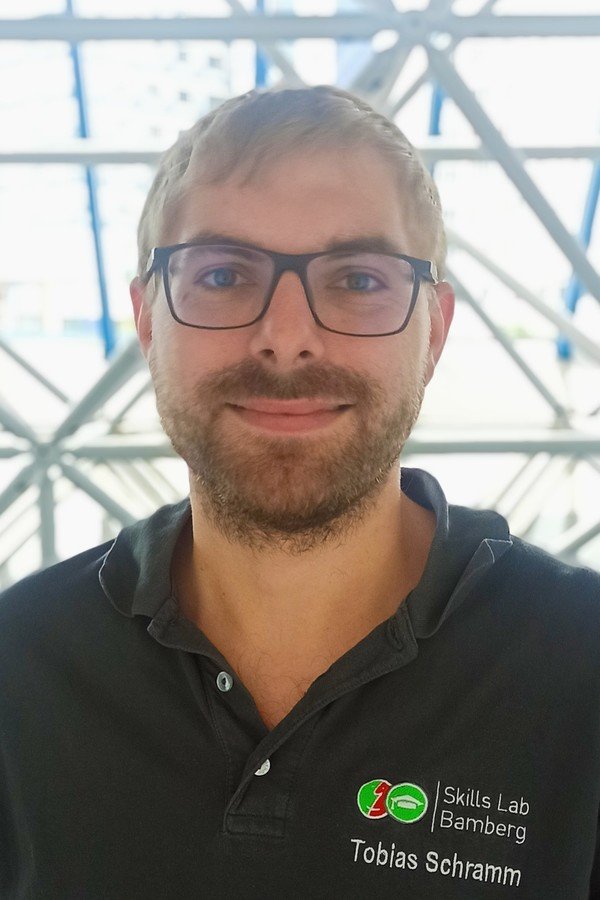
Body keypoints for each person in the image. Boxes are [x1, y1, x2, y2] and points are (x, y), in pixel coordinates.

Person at [0, 85, 598, 900]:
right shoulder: (20, 666)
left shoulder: (580, 666)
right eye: (222, 274)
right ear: (146, 323)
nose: (286, 339)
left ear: (434, 331)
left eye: (357, 279)